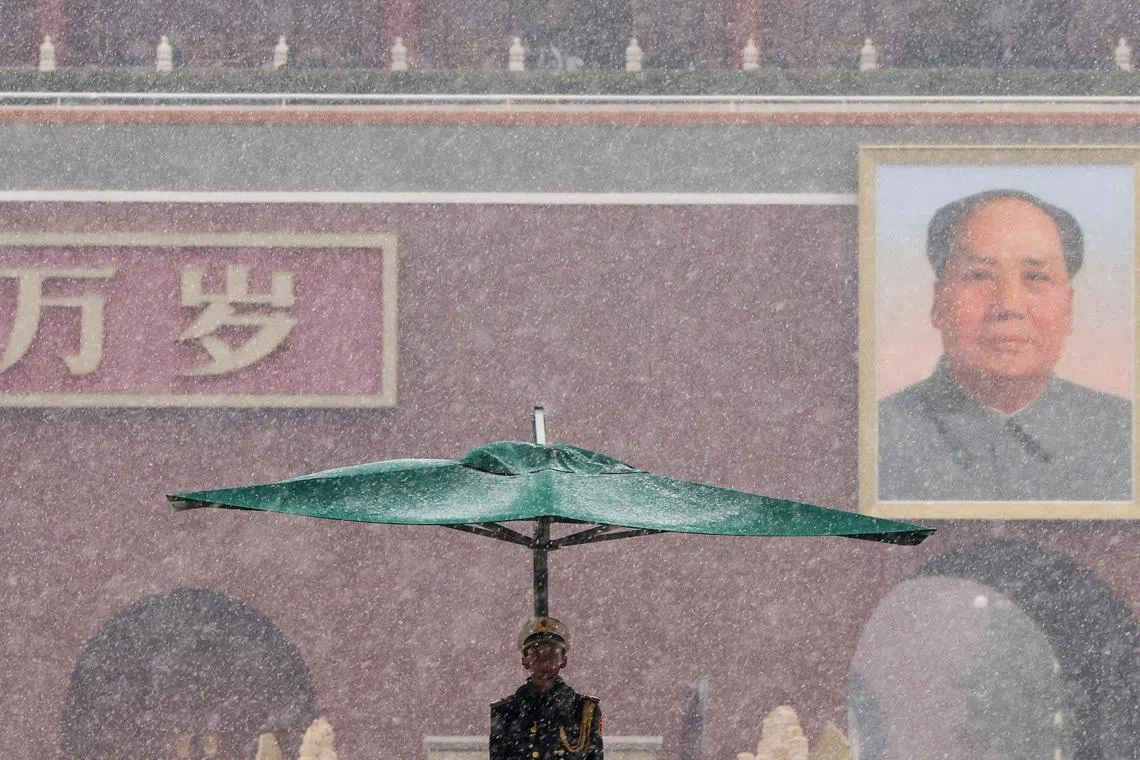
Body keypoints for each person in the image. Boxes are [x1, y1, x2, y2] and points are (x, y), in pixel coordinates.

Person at [878, 189, 1132, 502]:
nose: (1009, 305)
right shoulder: (874, 437)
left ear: (1068, 308)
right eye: (980, 276)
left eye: (1036, 277)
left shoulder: (1124, 434)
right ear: (939, 302)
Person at [490, 617, 603, 760]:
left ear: (563, 660)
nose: (545, 660)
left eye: (552, 653)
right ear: (525, 661)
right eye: (536, 653)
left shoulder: (585, 710)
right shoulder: (505, 711)